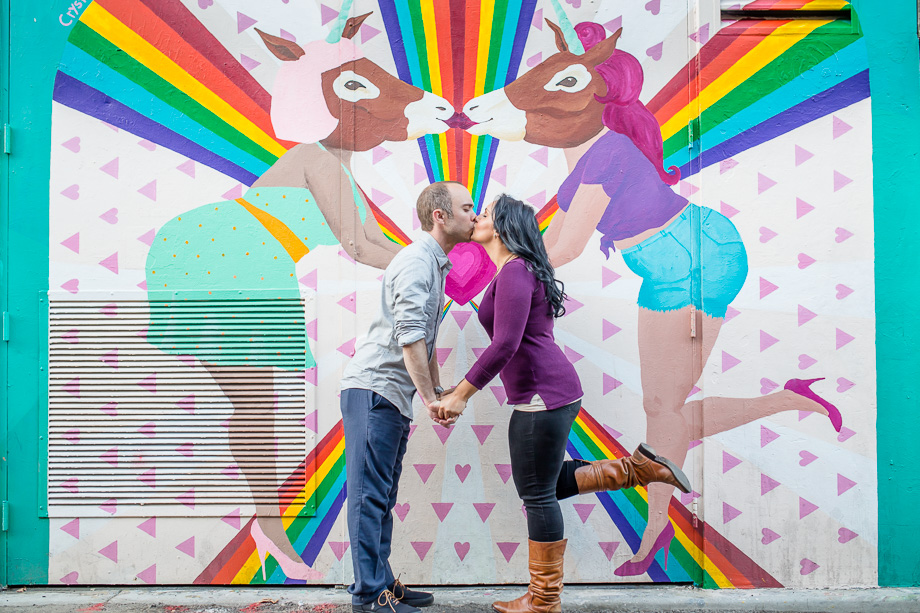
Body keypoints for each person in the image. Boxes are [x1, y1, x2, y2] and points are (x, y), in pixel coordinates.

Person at [434, 194, 691, 613]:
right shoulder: (513, 271)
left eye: (485, 212)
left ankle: (544, 600)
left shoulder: (516, 271)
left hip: (542, 393)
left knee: (538, 494)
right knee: (544, 485)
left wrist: (461, 394)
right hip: (548, 391)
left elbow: (505, 344)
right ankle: (636, 469)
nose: (478, 217)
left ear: (502, 225)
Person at [339, 181, 477, 613]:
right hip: (373, 390)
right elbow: (410, 336)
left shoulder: (435, 265)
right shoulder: (417, 262)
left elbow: (426, 341)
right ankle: (368, 592)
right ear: (440, 215)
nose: (474, 215)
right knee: (368, 495)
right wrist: (432, 401)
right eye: (467, 207)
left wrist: (433, 392)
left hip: (391, 397)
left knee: (382, 494)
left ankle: (380, 582)